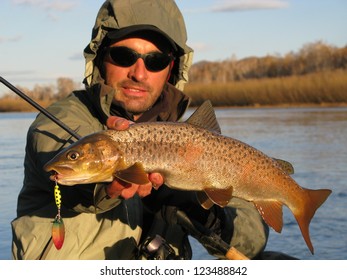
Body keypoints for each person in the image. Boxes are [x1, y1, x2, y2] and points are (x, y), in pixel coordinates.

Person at [11, 0, 269, 260]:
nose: (139, 73)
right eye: (124, 56)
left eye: (155, 61)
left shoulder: (189, 138)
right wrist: (108, 184)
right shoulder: (59, 120)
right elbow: (68, 165)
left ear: (170, 70)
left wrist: (208, 214)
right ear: (101, 59)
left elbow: (252, 239)